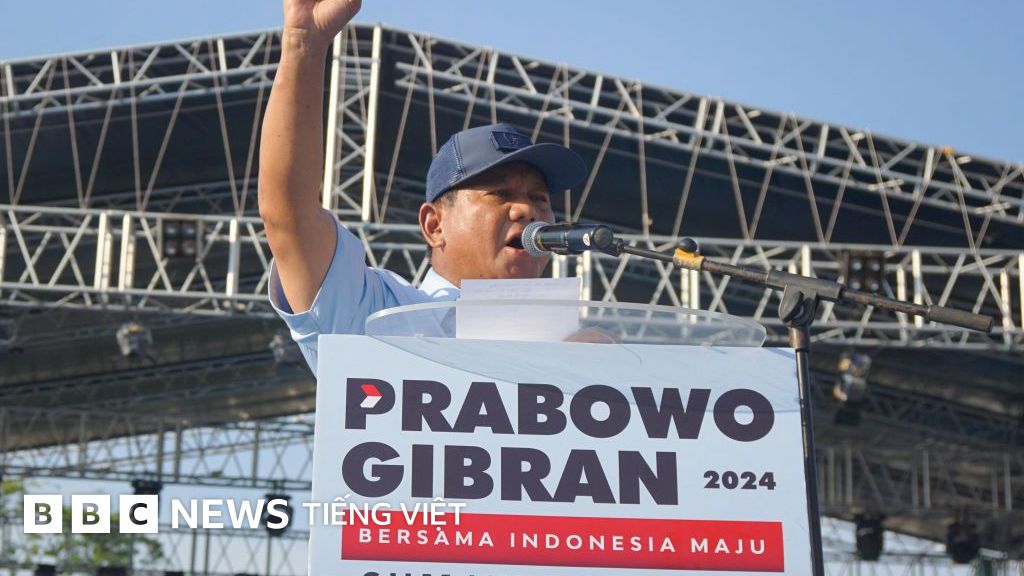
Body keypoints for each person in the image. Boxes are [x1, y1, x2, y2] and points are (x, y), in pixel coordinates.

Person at [258, 0, 589, 370]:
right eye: (500, 194)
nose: (527, 210)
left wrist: (611, 370)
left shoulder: (572, 349)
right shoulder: (378, 315)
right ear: (434, 225)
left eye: (539, 198)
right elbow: (289, 214)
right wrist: (303, 43)